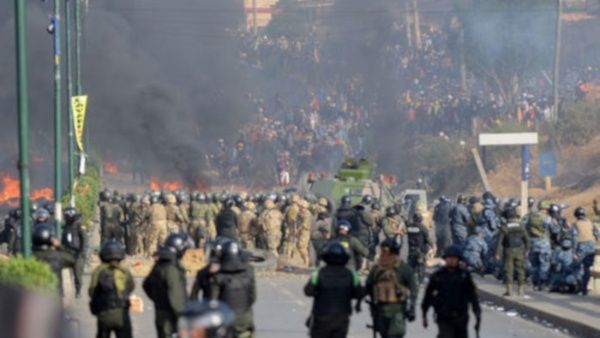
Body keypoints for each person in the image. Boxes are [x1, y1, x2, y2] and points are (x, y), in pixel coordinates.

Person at [304, 242, 364, 338]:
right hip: (341, 318)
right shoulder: (351, 274)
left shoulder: (319, 273)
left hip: (321, 317)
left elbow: (308, 291)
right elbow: (359, 293)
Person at [422, 245, 481, 338]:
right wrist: (424, 314)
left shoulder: (464, 276)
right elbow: (428, 296)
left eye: (454, 258)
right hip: (444, 316)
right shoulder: (438, 276)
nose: (452, 260)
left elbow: (472, 296)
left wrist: (477, 314)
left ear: (458, 259)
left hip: (461, 316)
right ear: (445, 259)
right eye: (449, 258)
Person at [365, 238, 417, 338]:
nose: (382, 253)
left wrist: (412, 306)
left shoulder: (403, 268)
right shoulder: (377, 269)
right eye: (382, 250)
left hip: (397, 311)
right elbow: (369, 286)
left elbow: (413, 288)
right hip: (380, 310)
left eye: (385, 250)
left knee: (394, 334)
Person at [144, 233, 191, 338]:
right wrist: (184, 316)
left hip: (161, 313)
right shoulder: (171, 268)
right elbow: (175, 296)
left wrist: (159, 298)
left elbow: (146, 285)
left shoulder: (160, 264)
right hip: (171, 317)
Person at [208, 240, 257, 338]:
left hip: (225, 320)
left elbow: (213, 301)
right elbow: (253, 298)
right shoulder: (248, 273)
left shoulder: (218, 276)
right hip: (244, 320)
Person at [89, 240, 135, 338]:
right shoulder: (124, 271)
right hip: (121, 313)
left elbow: (92, 292)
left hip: (104, 312)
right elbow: (131, 286)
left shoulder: (98, 271)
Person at [495, 206, 530, 296]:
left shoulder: (504, 227)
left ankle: (509, 290)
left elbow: (499, 242)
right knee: (520, 270)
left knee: (508, 271)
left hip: (508, 251)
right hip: (520, 251)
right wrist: (527, 250)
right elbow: (527, 239)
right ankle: (520, 290)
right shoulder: (521, 226)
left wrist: (497, 253)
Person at [32, 223, 76, 293]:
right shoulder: (57, 256)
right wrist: (59, 246)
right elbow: (72, 259)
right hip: (54, 296)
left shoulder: (30, 256)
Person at [571, 207, 600, 295]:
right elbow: (598, 235)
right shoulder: (591, 223)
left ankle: (579, 284)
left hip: (581, 246)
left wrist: (573, 252)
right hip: (591, 246)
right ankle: (585, 287)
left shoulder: (575, 224)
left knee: (576, 267)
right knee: (586, 268)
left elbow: (574, 238)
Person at [61, 207, 88, 298]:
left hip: (77, 253)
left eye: (66, 215)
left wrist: (82, 253)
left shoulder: (79, 226)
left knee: (77, 273)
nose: (64, 217)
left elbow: (84, 240)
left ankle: (78, 291)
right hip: (67, 252)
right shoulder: (66, 226)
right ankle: (63, 290)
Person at [524, 202, 552, 290]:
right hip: (543, 244)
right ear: (546, 209)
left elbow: (524, 226)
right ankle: (542, 284)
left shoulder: (530, 216)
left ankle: (535, 283)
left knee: (534, 265)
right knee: (544, 264)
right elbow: (554, 229)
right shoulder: (547, 218)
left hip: (532, 243)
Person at [406, 213, 433, 283]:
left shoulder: (409, 227)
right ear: (421, 220)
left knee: (411, 266)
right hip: (420, 251)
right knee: (421, 265)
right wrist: (433, 245)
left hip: (411, 250)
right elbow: (428, 239)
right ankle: (421, 280)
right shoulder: (423, 228)